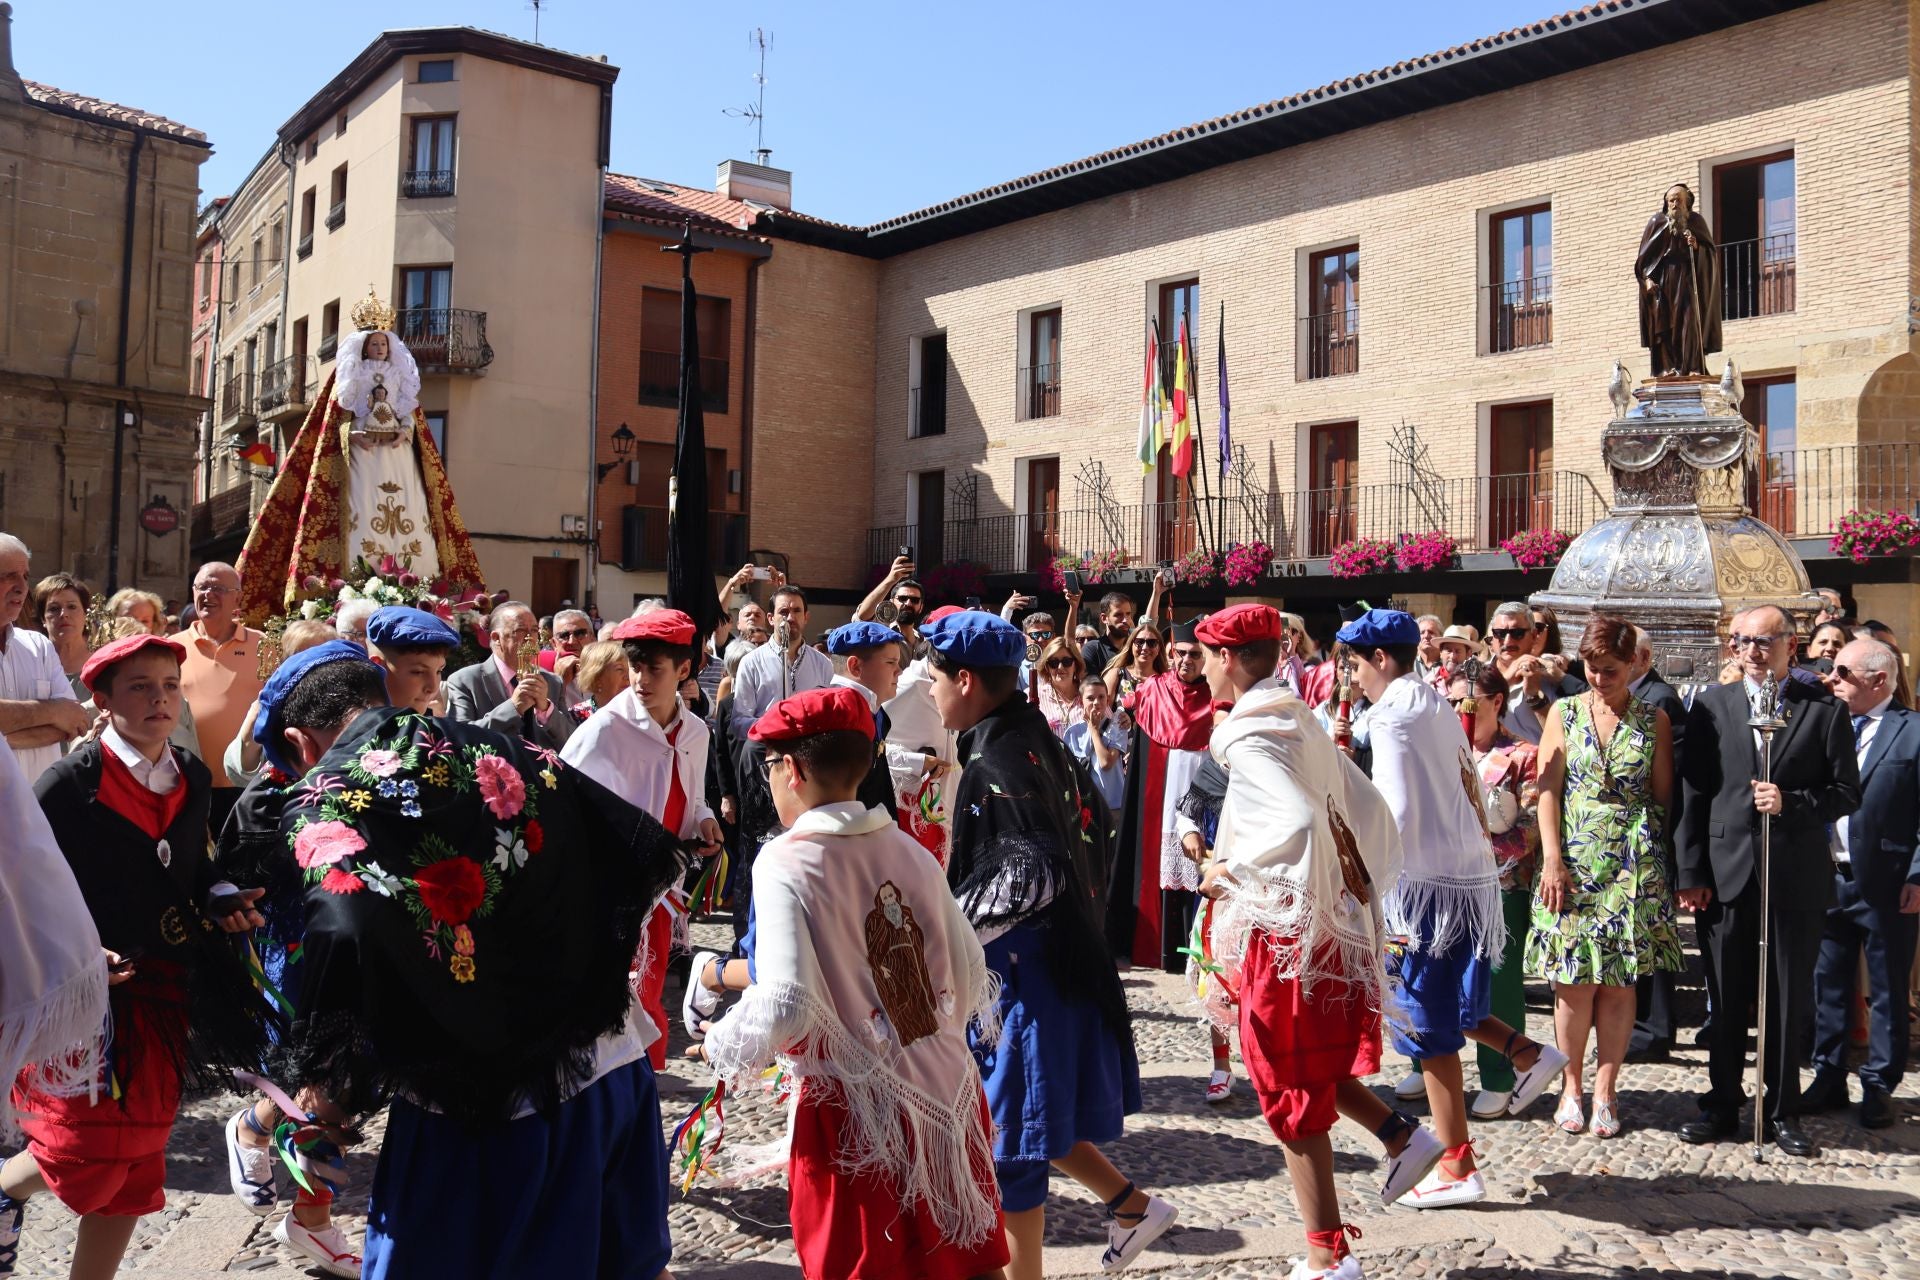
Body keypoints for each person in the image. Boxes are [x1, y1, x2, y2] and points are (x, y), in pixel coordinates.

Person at [271, 652, 687, 1278]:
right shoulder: (500, 748)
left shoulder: (324, 794)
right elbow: (632, 846)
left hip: (478, 1103)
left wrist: (333, 1087)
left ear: (301, 743)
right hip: (607, 1059)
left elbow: (346, 929)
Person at [695, 685, 1010, 1280]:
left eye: (769, 767)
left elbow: (785, 1002)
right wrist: (926, 1039)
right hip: (945, 1092)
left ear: (789, 769)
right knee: (965, 1263)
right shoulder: (909, 850)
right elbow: (970, 970)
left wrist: (719, 1042)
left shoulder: (784, 859)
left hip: (853, 1116)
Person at [5, 635, 273, 1280]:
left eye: (168, 686)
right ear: (101, 699)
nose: (159, 699)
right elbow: (25, 881)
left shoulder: (190, 772)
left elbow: (192, 867)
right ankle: (5, 1188)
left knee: (138, 1155)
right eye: (139, 687)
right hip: (86, 996)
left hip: (165, 986)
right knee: (84, 1148)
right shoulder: (71, 782)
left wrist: (221, 893)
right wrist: (78, 945)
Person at [1196, 605, 1444, 1280]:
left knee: (1288, 1083)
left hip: (1283, 928)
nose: (1200, 668)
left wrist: (1230, 875)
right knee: (1306, 1059)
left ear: (1226, 660)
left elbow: (1302, 817)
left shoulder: (1248, 735)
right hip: (1316, 918)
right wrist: (1342, 888)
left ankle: (1328, 1257)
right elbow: (1360, 806)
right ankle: (1400, 1135)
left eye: (1204, 656)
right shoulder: (1295, 716)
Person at [925, 610, 1175, 1279]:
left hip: (1026, 981)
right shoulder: (1034, 737)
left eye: (934, 677)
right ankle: (1129, 1206)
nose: (929, 690)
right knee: (1032, 1124)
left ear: (968, 680)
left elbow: (1029, 870)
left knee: (1014, 1145)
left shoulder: (995, 758)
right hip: (1053, 967)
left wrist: (940, 926)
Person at [1335, 608, 1567, 1208]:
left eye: (1356, 664)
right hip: (1463, 879)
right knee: (1448, 1011)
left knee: (1429, 1027)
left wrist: (1371, 881)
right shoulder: (1434, 701)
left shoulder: (1393, 715)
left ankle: (1458, 1164)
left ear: (1381, 659)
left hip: (1421, 887)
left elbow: (1396, 808)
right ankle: (1528, 1053)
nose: (1353, 677)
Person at [216, 641, 381, 1278]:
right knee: (318, 1089)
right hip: (301, 965)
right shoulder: (267, 801)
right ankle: (310, 1218)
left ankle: (263, 1138)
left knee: (338, 1090)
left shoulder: (376, 772)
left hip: (356, 956)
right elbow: (239, 882)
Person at [1677, 604, 1860, 1158]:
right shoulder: (1712, 705)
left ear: (1790, 645)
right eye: (1741, 641)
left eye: (1763, 642)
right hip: (1726, 872)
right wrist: (1690, 873)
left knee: (1785, 999)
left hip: (1794, 874)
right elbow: (1693, 795)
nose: (1751, 652)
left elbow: (1846, 791)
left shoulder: (1824, 710)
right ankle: (1722, 1104)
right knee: (1727, 998)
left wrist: (1793, 802)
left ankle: (1782, 1110)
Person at [1527, 617, 1683, 1139]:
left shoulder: (1653, 719)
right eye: (1591, 669)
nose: (1599, 678)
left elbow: (1662, 800)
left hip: (1632, 868)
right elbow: (1548, 789)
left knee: (1618, 985)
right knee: (1573, 982)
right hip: (1571, 864)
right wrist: (1552, 858)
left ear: (1635, 663)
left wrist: (1651, 866)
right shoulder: (1563, 714)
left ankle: (1606, 1091)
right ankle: (1571, 1087)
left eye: (1610, 670)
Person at [237, 301, 485, 621]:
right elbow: (334, 424)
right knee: (362, 508)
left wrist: (404, 434)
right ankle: (358, 581)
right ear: (365, 348)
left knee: (410, 506)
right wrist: (353, 434)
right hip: (362, 456)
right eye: (374, 344)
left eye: (384, 343)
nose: (380, 348)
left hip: (398, 456)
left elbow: (409, 415)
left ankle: (415, 582)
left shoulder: (400, 376)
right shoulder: (349, 376)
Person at [562, 610, 723, 1072]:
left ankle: (642, 1092)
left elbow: (692, 799)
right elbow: (564, 804)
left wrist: (704, 820)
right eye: (634, 667)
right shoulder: (603, 731)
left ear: (684, 670)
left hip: (663, 893)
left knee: (647, 996)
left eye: (655, 669)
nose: (640, 679)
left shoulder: (695, 730)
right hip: (613, 895)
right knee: (612, 1001)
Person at [1803, 639, 1920, 1130]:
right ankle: (1827, 1074)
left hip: (1888, 882)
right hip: (1825, 876)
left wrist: (1918, 873)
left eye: (1843, 671)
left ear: (1878, 679)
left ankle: (1878, 1083)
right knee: (1826, 983)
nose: (1832, 678)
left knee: (1888, 988)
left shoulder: (1912, 733)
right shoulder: (1824, 724)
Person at [1446, 665, 1540, 1118]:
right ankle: (1428, 1058)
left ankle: (1501, 1072)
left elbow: (1530, 828)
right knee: (1431, 974)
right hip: (1441, 881)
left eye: (1466, 703)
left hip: (1499, 882)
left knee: (1495, 980)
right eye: (1449, 703)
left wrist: (1480, 856)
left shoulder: (1523, 755)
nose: (1456, 712)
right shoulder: (1441, 751)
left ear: (1496, 701)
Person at [1109, 621, 1215, 974]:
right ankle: (1158, 947)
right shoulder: (1152, 690)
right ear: (1172, 653)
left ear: (1206, 659)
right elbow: (1117, 701)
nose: (1187, 660)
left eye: (1195, 655)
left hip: (1203, 789)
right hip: (1162, 791)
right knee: (1157, 859)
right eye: (1181, 653)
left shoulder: (1217, 694)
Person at [1624, 628, 1687, 1062]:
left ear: (1643, 658)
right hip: (1625, 841)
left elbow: (1666, 780)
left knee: (1652, 939)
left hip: (1648, 835)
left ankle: (1655, 1030)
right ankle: (1642, 1027)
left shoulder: (1658, 700)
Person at [171, 561, 266, 831]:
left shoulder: (264, 646)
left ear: (237, 596)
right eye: (202, 587)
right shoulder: (171, 648)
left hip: (245, 782)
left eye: (218, 588)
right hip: (185, 781)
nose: (208, 594)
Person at [0, 535, 87, 783]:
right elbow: (63, 715)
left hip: (40, 807)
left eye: (25, 576)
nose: (21, 587)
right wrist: (54, 711)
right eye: (9, 576)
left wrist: (4, 737)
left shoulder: (39, 646)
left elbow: (74, 723)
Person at [884, 606, 963, 867]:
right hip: (910, 807)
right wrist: (919, 762)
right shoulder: (907, 684)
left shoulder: (958, 684)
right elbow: (872, 748)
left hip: (947, 802)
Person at [442, 599, 577, 752]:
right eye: (520, 631)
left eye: (533, 630)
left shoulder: (552, 681)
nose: (530, 638)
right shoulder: (465, 681)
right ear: (496, 638)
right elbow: (461, 738)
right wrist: (513, 708)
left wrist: (546, 710)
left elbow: (573, 743)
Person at [221, 619, 337, 786]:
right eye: (302, 658)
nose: (313, 667)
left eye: (324, 658)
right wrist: (257, 721)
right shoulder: (271, 704)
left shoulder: (346, 702)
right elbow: (239, 771)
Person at [1635, 181, 1722, 377]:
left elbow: (1710, 255)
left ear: (1687, 202)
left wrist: (1697, 247)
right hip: (1664, 283)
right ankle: (1666, 368)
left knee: (1690, 322)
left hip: (1688, 280)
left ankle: (1692, 367)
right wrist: (1647, 279)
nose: (1674, 204)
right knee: (1663, 323)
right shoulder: (1656, 222)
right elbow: (1643, 260)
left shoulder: (1696, 222)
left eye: (1678, 200)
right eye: (1671, 200)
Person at [825, 621, 905, 821]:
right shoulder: (838, 715)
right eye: (890, 662)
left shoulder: (873, 709)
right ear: (855, 666)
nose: (899, 670)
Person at [1488, 602, 1563, 744]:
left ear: (1534, 636)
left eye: (1517, 633)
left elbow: (1564, 739)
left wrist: (1534, 697)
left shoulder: (1551, 679)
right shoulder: (1474, 675)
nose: (1508, 641)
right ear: (1492, 637)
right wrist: (1504, 681)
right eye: (1500, 633)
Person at [363, 605, 457, 716]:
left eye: (438, 671)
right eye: (418, 672)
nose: (433, 687)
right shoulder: (355, 729)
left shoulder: (434, 725)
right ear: (377, 667)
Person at [1065, 676, 1127, 813]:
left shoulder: (1118, 725)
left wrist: (1094, 731)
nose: (1096, 702)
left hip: (1113, 806)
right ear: (1081, 702)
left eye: (1101, 697)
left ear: (1108, 700)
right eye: (1090, 698)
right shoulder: (1072, 733)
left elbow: (1106, 763)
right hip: (1085, 808)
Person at [30, 574, 92, 699]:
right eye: (54, 609)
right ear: (43, 618)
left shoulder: (102, 663)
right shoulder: (31, 662)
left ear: (85, 614)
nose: (64, 614)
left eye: (72, 607)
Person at [1103, 622, 1166, 708]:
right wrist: (1117, 718)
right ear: (1131, 645)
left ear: (1158, 648)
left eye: (1152, 643)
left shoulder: (1165, 681)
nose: (1145, 648)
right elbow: (1102, 712)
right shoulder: (1116, 675)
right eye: (1139, 642)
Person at [1032, 636, 1085, 738]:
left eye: (1066, 662)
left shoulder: (1090, 693)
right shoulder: (1033, 694)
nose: (1060, 667)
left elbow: (1111, 726)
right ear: (1047, 667)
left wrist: (1123, 718)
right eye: (1054, 663)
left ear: (1076, 664)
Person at [546, 609, 596, 707]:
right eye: (564, 636)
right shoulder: (542, 677)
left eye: (580, 634)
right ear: (553, 644)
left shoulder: (606, 671)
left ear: (592, 639)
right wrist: (559, 683)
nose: (571, 641)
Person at [571, 640, 631, 716]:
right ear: (596, 677)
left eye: (631, 668)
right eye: (620, 669)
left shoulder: (641, 711)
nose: (628, 676)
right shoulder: (576, 716)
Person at [1413, 614, 1444, 684]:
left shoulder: (1447, 666)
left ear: (1441, 637)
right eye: (1422, 633)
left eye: (1431, 632)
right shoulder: (1409, 665)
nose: (1426, 636)